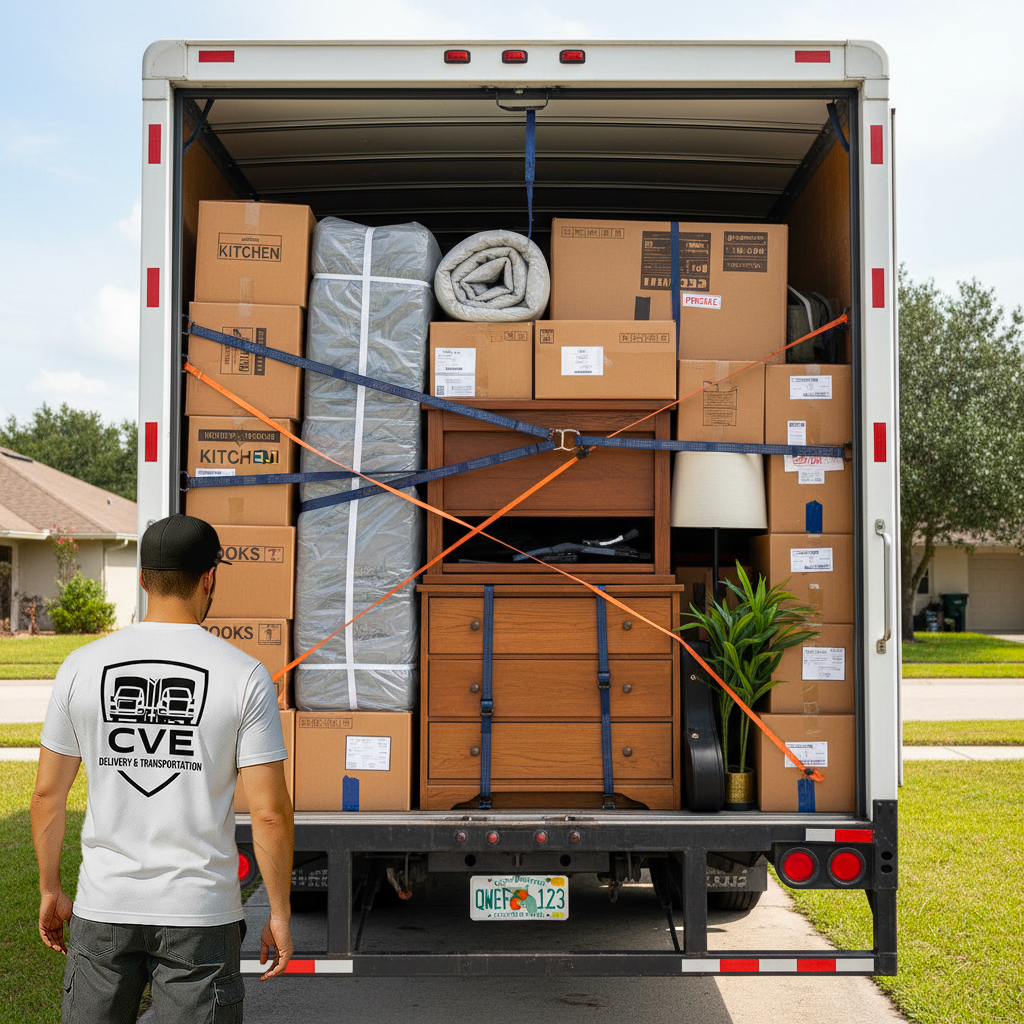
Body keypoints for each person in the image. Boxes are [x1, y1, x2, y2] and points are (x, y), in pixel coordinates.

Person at [31, 514, 295, 1023]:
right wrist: (279, 914)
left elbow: (46, 796)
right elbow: (269, 815)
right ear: (209, 578)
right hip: (200, 913)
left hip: (105, 904)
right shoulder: (245, 676)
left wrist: (50, 888)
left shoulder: (81, 667)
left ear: (143, 579)